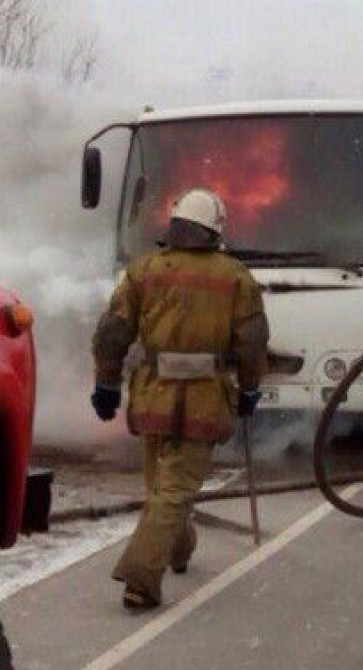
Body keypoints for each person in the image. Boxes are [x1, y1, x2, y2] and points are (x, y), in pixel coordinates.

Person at [90, 188, 269, 610]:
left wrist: (107, 384)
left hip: (152, 398)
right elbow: (252, 342)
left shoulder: (144, 271)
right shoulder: (236, 277)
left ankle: (177, 550)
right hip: (204, 401)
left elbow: (112, 334)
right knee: (172, 493)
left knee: (165, 490)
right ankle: (140, 579)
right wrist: (249, 387)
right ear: (214, 230)